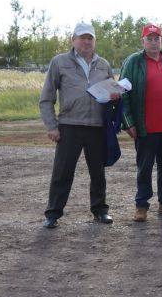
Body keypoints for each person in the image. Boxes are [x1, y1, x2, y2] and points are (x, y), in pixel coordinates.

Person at [39, 23, 119, 228]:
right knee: (63, 171)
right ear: (73, 39)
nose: (86, 41)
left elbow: (112, 94)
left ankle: (100, 210)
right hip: (69, 125)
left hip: (97, 126)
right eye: (82, 37)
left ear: (94, 41)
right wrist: (51, 126)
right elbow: (46, 98)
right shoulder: (59, 62)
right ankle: (53, 214)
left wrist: (115, 97)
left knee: (98, 172)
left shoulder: (103, 64)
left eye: (90, 38)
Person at [121, 24, 162, 223]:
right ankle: (141, 205)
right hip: (145, 127)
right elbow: (123, 93)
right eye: (149, 38)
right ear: (143, 41)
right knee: (145, 167)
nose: (154, 42)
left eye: (157, 38)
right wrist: (128, 122)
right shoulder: (133, 62)